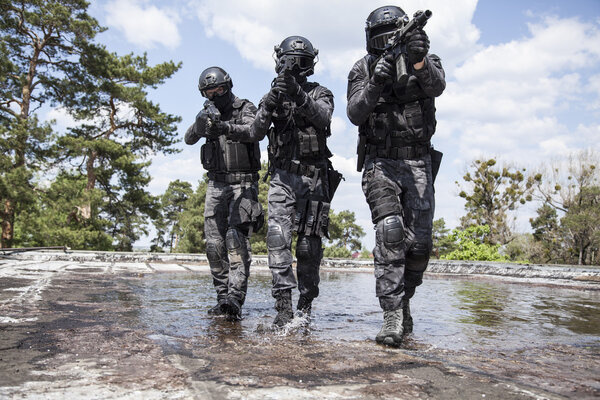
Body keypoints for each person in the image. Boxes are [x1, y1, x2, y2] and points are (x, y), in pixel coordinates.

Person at [346, 5, 446, 346]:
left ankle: (404, 301)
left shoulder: (425, 58)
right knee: (390, 232)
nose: (388, 41)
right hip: (380, 163)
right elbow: (356, 113)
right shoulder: (361, 68)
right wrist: (376, 81)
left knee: (419, 246)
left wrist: (419, 60)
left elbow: (437, 87)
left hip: (418, 162)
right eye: (381, 37)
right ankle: (390, 315)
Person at [227, 36, 340, 328]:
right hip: (282, 177)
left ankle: (305, 304)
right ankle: (283, 307)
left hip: (314, 178)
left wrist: (299, 94)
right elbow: (255, 131)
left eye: (301, 63)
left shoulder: (321, 92)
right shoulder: (273, 94)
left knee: (308, 247)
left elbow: (323, 119)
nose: (295, 68)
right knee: (277, 239)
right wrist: (275, 99)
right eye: (291, 62)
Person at [184, 66, 263, 321]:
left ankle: (235, 297)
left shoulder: (245, 108)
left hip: (244, 184)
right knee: (214, 245)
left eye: (218, 89)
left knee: (235, 240)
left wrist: (224, 127)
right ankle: (222, 299)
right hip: (216, 185)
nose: (214, 94)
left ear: (227, 86)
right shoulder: (207, 112)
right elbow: (188, 138)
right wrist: (200, 125)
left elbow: (253, 131)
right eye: (209, 91)